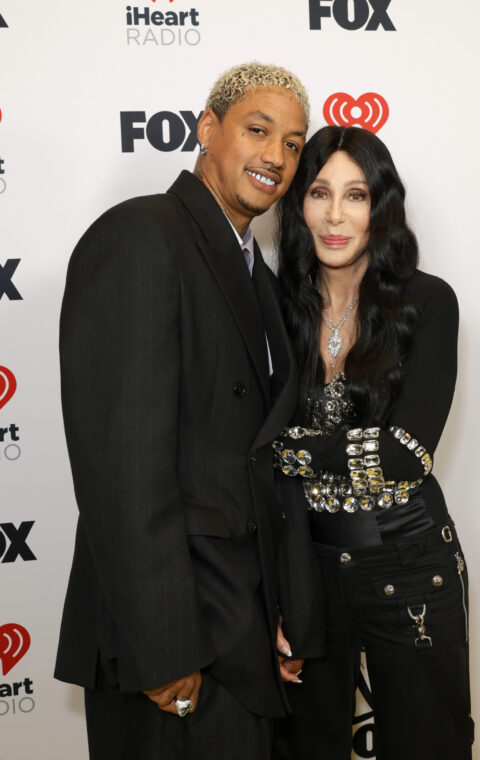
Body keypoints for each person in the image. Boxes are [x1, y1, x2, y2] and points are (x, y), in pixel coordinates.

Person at [54, 62, 324, 760]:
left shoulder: (252, 272)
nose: (275, 157)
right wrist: (161, 649)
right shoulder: (142, 236)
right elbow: (123, 464)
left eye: (293, 143)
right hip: (174, 639)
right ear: (208, 129)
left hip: (237, 628)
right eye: (257, 130)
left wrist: (275, 615)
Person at [273, 125, 474, 760]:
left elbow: (406, 455)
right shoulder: (277, 309)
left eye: (355, 195)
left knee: (428, 747)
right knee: (303, 748)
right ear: (298, 204)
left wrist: (291, 450)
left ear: (380, 206)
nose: (335, 216)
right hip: (307, 573)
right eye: (319, 193)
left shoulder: (426, 302)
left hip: (409, 566)